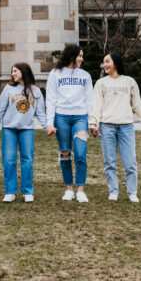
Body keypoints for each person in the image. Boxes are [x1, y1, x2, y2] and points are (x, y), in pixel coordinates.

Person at [90, 52, 141, 202]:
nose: (104, 65)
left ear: (116, 62)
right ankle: (113, 191)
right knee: (109, 162)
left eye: (107, 61)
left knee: (130, 162)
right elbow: (96, 105)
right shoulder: (101, 83)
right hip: (106, 127)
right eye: (103, 62)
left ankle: (132, 193)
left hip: (126, 127)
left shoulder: (129, 82)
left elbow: (137, 103)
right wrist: (93, 124)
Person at [45, 44, 94, 203]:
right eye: (80, 55)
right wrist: (49, 123)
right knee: (65, 153)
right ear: (72, 56)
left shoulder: (85, 76)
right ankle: (69, 189)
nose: (82, 59)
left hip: (80, 118)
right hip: (61, 118)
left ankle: (80, 190)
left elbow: (89, 101)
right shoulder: (55, 74)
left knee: (80, 153)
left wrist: (92, 122)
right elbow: (51, 100)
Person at [0, 63, 46, 203]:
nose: (13, 74)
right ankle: (10, 191)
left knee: (27, 160)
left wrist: (46, 126)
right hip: (9, 129)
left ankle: (27, 191)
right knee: (9, 160)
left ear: (24, 72)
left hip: (27, 129)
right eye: (12, 71)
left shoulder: (35, 91)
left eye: (15, 71)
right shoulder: (8, 89)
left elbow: (41, 112)